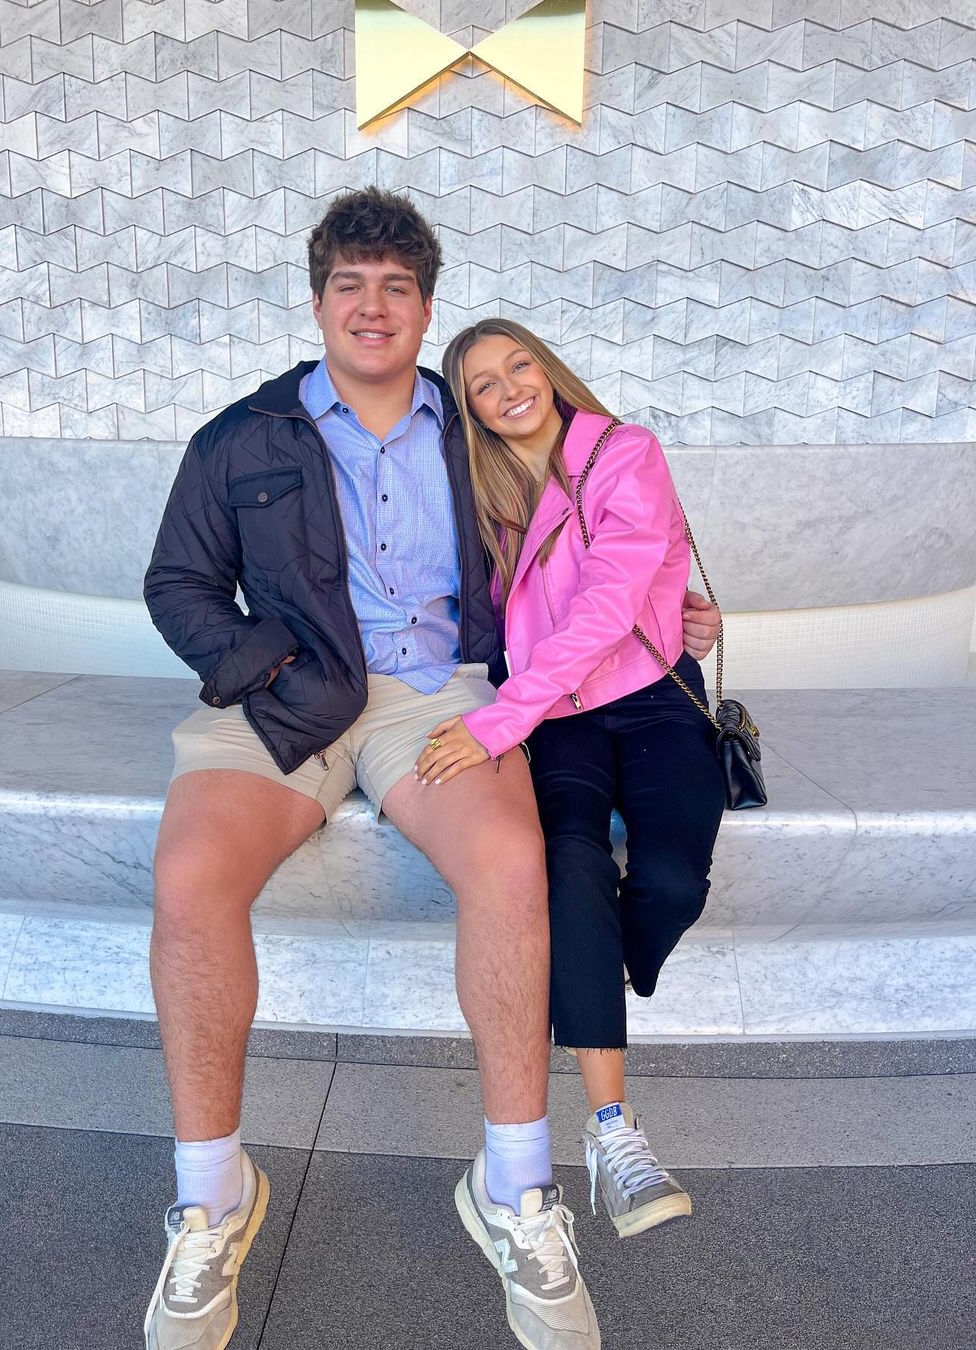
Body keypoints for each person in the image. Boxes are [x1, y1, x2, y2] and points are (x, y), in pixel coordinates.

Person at [142, 187, 719, 1350]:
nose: (373, 306)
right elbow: (178, 584)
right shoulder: (242, 436)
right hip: (287, 697)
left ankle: (515, 1187)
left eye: (396, 287)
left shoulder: (474, 431)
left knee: (509, 867)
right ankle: (212, 1199)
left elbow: (586, 536)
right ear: (318, 303)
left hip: (438, 697)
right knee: (191, 879)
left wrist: (668, 615)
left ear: (425, 307)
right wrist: (265, 663)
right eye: (350, 285)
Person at [417, 318, 727, 1242]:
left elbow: (605, 604)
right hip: (558, 720)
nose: (509, 388)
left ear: (548, 371)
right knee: (574, 867)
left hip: (651, 698)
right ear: (471, 410)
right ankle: (611, 1130)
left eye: (519, 365)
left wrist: (497, 720)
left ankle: (600, 963)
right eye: (483, 384)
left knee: (672, 881)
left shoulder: (624, 453)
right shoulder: (484, 495)